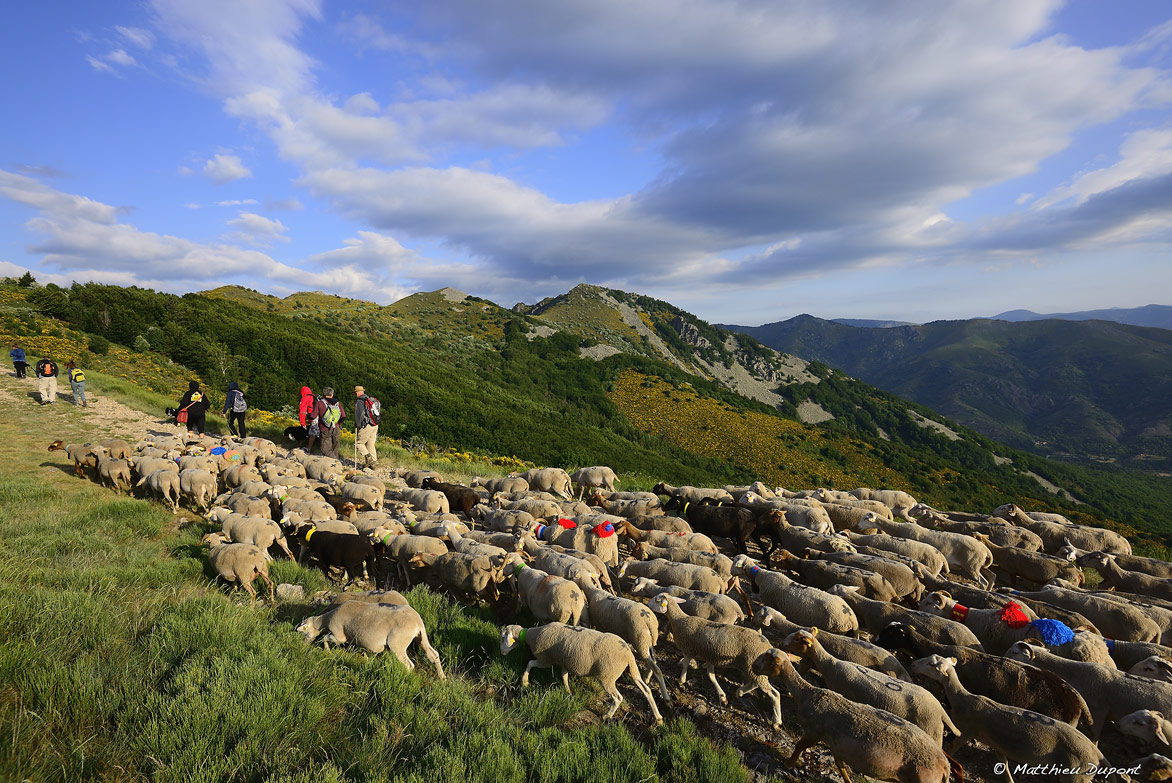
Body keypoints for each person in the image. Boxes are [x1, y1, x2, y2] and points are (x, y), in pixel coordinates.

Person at [310, 386, 345, 460]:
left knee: (325, 448)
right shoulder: (337, 403)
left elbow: (313, 416)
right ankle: (335, 463)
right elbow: (343, 416)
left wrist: (307, 414)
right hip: (336, 427)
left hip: (324, 428)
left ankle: (334, 461)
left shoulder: (320, 403)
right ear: (332, 394)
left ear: (323, 394)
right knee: (335, 446)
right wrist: (338, 424)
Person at [353, 385, 380, 468]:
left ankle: (369, 459)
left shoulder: (360, 401)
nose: (355, 394)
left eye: (355, 392)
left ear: (358, 392)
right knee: (370, 444)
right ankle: (374, 462)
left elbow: (359, 414)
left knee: (359, 443)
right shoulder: (370, 400)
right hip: (375, 424)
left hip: (367, 425)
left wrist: (358, 424)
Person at [298, 385, 317, 453]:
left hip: (314, 417)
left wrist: (303, 423)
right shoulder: (315, 396)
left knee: (312, 433)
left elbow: (302, 411)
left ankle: (308, 449)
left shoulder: (305, 398)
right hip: (320, 417)